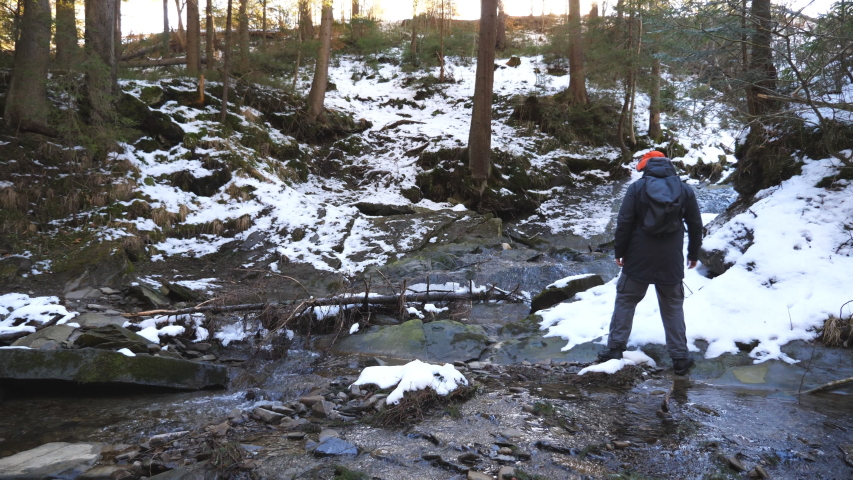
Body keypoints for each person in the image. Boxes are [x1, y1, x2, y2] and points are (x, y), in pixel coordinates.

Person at [597, 150, 703, 375]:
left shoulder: (637, 188)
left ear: (646, 167)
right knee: (673, 307)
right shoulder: (684, 190)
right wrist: (693, 253)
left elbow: (624, 220)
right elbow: (695, 224)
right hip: (671, 259)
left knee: (626, 300)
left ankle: (615, 350)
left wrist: (620, 250)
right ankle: (680, 359)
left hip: (638, 256)